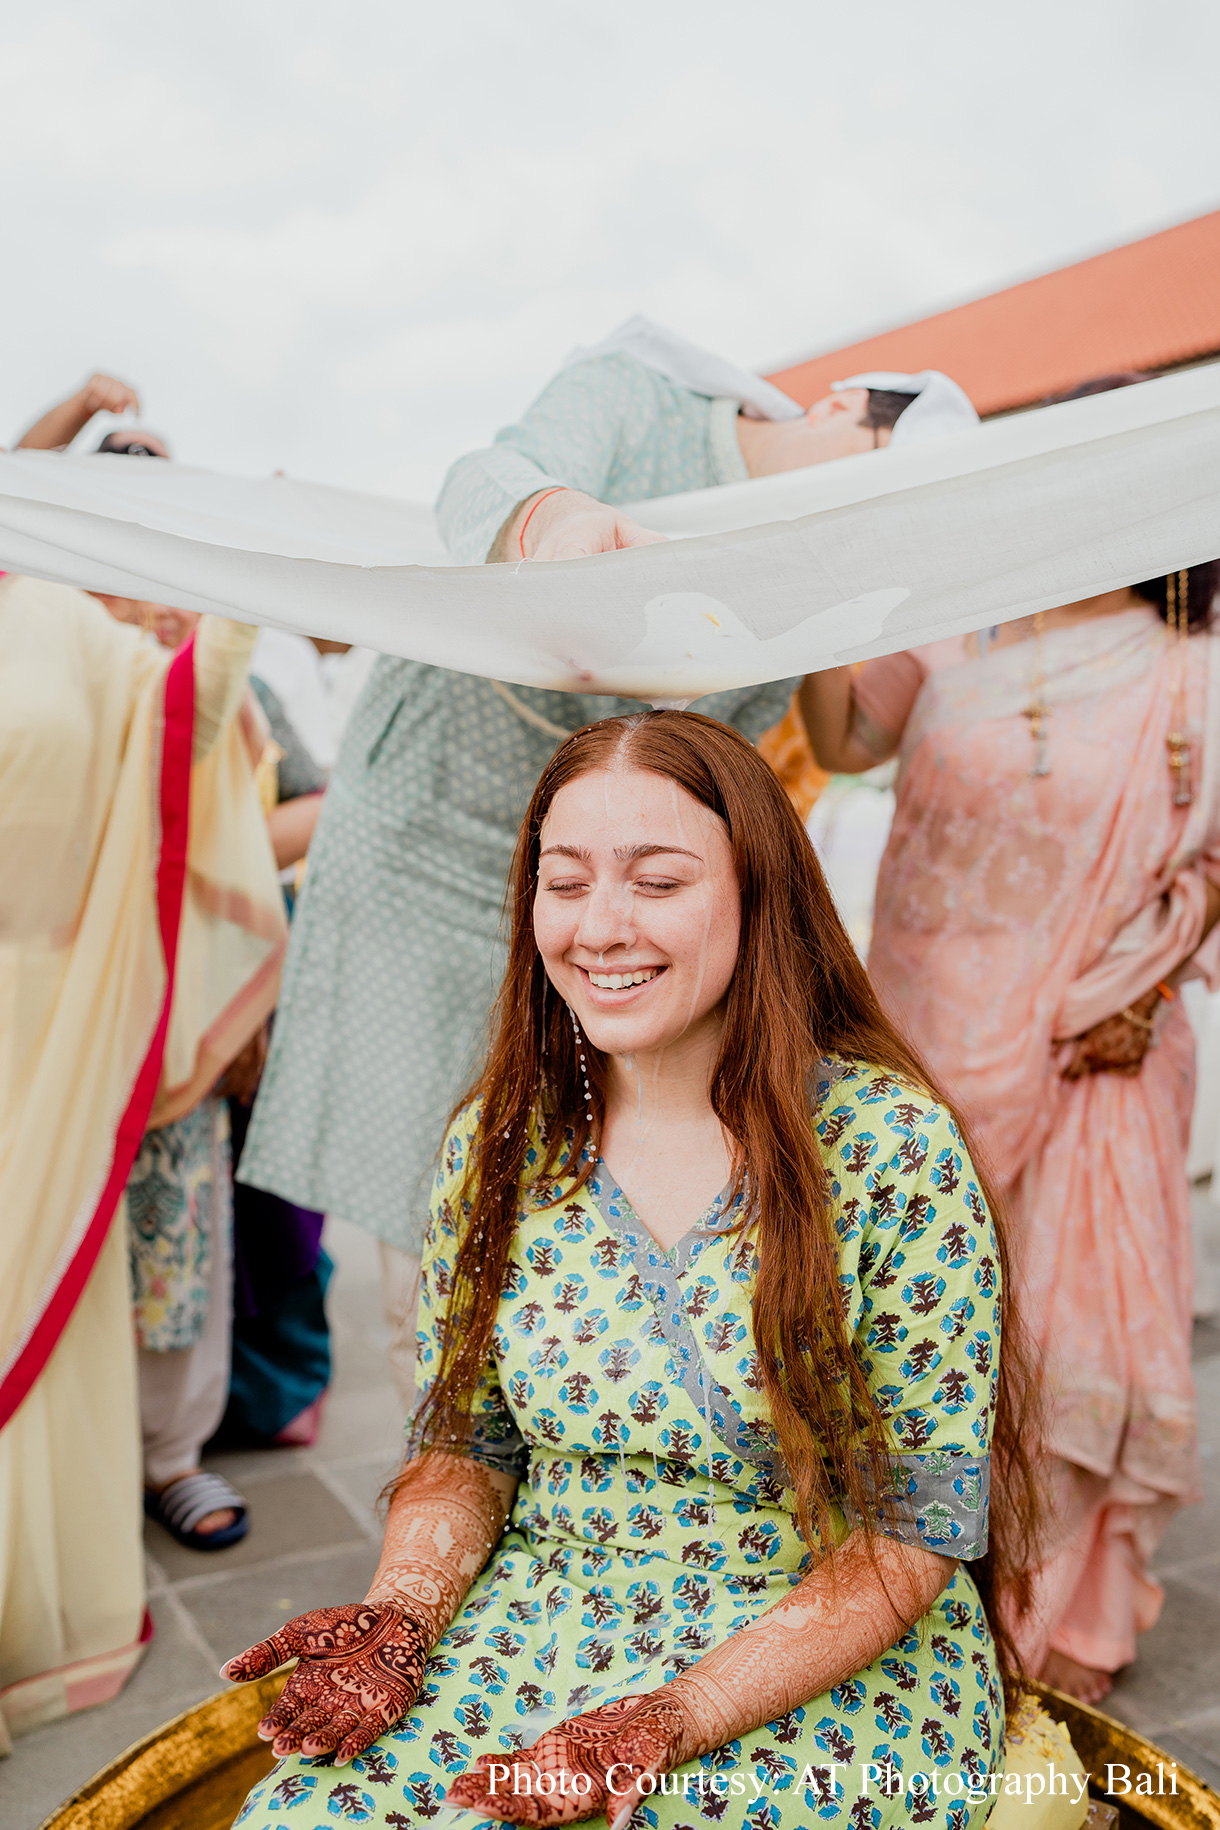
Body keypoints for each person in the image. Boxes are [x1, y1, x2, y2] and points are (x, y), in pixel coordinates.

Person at [225, 708, 1037, 1830]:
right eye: (564, 883)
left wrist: (668, 1719)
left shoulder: (886, 1147)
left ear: (760, 893)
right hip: (542, 1604)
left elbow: (910, 1533)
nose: (599, 927)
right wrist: (402, 1616)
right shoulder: (499, 1144)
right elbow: (465, 1445)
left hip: (814, 1646)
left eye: (656, 882)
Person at [238, 320, 978, 1410]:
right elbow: (486, 473)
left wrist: (883, 609)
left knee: (584, 1165)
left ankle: (580, 1421)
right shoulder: (638, 397)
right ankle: (449, 1447)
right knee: (440, 1183)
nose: (862, 526)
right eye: (874, 491)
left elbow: (843, 745)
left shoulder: (809, 560)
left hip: (609, 885)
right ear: (831, 409)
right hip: (439, 834)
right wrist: (560, 518)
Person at [801, 415, 1220, 1703]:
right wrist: (821, 586)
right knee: (928, 1325)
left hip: (1097, 1043)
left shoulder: (1190, 674)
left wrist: (1146, 980)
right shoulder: (949, 627)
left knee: (1064, 1320)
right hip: (921, 1045)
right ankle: (907, 1590)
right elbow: (836, 744)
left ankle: (1059, 1614)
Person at [0, 569, 280, 1738]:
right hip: (55, 1005)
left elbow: (198, 741)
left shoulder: (87, 637)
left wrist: (231, 577)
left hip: (74, 1017)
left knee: (75, 1289)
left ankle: (67, 1564)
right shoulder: (50, 623)